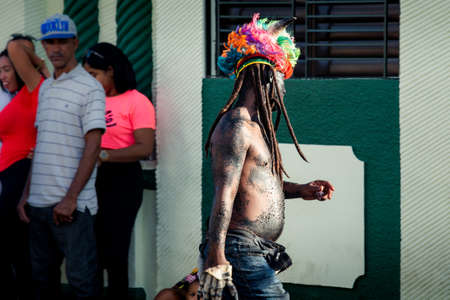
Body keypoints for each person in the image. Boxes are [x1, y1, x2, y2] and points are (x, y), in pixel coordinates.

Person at [199, 14, 335, 299]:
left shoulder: (257, 130)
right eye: (281, 80)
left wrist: (301, 190)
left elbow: (255, 188)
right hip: (238, 249)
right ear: (266, 78)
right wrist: (216, 255)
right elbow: (225, 193)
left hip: (254, 251)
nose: (283, 92)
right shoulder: (237, 125)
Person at [16, 13, 105, 300]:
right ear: (43, 46)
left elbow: (93, 146)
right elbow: (42, 145)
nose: (56, 49)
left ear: (75, 43)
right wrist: (26, 195)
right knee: (42, 284)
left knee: (82, 283)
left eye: (62, 42)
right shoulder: (47, 88)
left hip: (72, 209)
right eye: (50, 42)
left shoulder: (90, 87)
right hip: (38, 205)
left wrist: (70, 199)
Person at [82, 42, 155, 299]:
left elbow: (144, 147)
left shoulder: (137, 101)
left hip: (121, 181)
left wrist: (103, 155)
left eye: (94, 75)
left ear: (111, 71)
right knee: (89, 253)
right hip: (87, 180)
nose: (89, 81)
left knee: (115, 253)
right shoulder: (89, 101)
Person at [0, 33, 48, 300]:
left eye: (8, 69)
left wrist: (36, 62)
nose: (3, 75)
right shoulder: (18, 97)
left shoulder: (36, 88)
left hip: (22, 175)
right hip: (11, 176)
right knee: (15, 250)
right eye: (0, 71)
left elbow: (14, 46)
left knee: (19, 252)